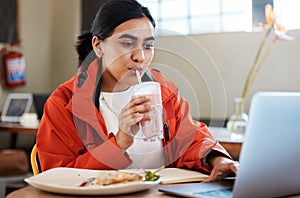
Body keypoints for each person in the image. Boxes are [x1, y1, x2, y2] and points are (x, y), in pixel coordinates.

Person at [36, 0, 238, 182]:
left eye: (148, 45)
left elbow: (192, 138)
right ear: (98, 46)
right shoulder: (63, 103)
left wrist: (217, 159)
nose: (140, 56)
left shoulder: (163, 91)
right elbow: (58, 177)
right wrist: (120, 141)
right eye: (127, 43)